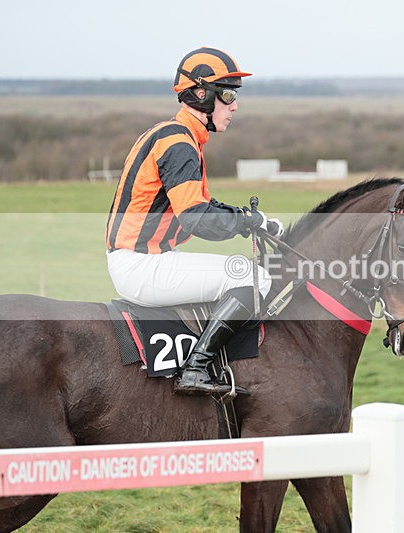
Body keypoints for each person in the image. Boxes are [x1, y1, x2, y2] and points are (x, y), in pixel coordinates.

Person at [105, 46, 282, 395]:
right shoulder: (179, 143)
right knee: (255, 278)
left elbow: (204, 205)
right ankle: (196, 368)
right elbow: (197, 219)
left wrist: (251, 219)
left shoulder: (175, 135)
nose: (234, 105)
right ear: (202, 94)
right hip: (142, 265)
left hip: (145, 259)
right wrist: (246, 223)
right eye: (228, 94)